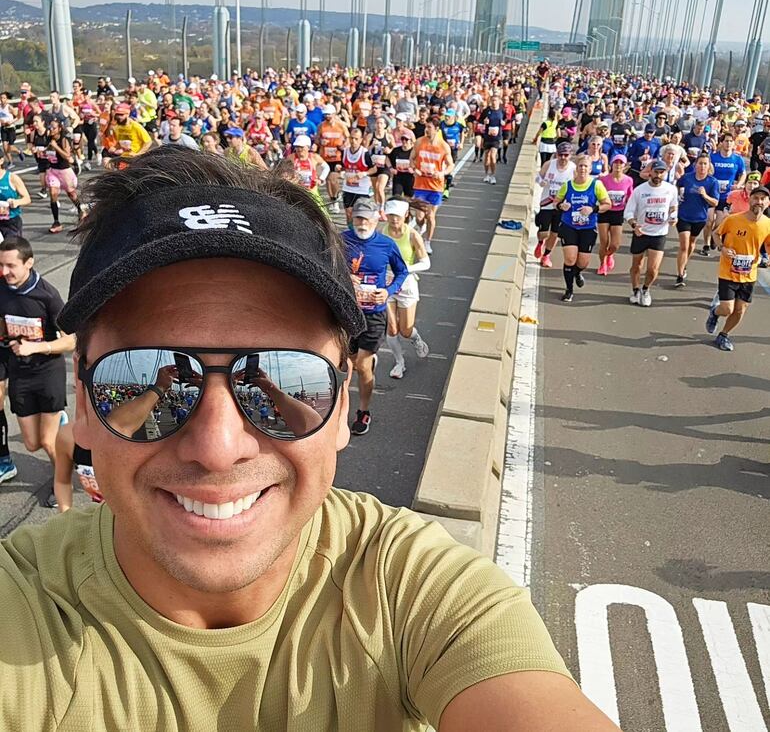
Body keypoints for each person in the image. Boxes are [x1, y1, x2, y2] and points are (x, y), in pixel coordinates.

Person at [9, 146, 619, 732]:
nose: (219, 447)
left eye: (282, 373)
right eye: (137, 373)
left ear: (343, 404)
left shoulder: (410, 591)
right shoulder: (23, 609)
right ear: (83, 408)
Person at [0, 236, 75, 506]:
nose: (4, 272)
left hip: (47, 372)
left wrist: (37, 348)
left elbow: (71, 339)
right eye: (1, 265)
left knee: (47, 440)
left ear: (29, 263)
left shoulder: (47, 295)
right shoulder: (2, 289)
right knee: (31, 443)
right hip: (19, 373)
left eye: (11, 266)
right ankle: (61, 425)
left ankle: (62, 481)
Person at [341, 198, 408, 435]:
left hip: (373, 314)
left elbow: (402, 272)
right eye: (358, 218)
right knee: (348, 364)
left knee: (361, 365)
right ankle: (364, 366)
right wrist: (344, 278)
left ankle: (363, 411)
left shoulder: (386, 245)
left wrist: (388, 291)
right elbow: (326, 266)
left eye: (367, 219)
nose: (362, 223)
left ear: (376, 220)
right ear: (352, 218)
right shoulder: (340, 240)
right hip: (347, 310)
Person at [705, 186, 770, 351]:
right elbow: (716, 234)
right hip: (728, 271)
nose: (759, 202)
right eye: (756, 198)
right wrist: (723, 248)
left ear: (768, 203)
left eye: (763, 199)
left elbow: (768, 244)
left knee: (740, 310)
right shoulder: (734, 219)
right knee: (727, 308)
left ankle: (724, 335)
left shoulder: (767, 224)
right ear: (749, 200)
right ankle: (715, 312)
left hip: (749, 274)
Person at [381, 198, 431, 379]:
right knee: (392, 328)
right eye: (391, 216)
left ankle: (416, 339)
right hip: (386, 284)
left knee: (406, 330)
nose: (394, 220)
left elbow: (426, 262)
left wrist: (405, 268)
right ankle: (399, 363)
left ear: (405, 215)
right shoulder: (382, 232)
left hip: (407, 284)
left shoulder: (412, 235)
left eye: (398, 216)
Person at [554, 154, 611, 301]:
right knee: (570, 258)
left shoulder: (596, 185)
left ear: (590, 168)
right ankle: (569, 289)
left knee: (582, 262)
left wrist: (593, 209)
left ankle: (577, 272)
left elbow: (608, 204)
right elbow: (556, 202)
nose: (583, 169)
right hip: (569, 225)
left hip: (588, 227)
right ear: (576, 168)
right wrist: (561, 205)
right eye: (580, 166)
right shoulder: (567, 185)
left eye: (586, 166)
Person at [624, 159, 679, 307]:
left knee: (653, 269)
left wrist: (674, 218)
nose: (658, 175)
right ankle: (635, 290)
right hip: (641, 232)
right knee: (637, 265)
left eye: (662, 172)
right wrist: (634, 225)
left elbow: (674, 208)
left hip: (659, 233)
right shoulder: (640, 190)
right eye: (656, 172)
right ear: (650, 172)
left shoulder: (671, 189)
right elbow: (628, 212)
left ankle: (646, 289)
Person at [675, 153, 720, 287]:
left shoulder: (712, 182)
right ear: (695, 165)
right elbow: (678, 186)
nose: (702, 166)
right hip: (683, 215)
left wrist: (705, 195)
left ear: (708, 166)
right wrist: (678, 196)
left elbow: (715, 202)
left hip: (700, 218)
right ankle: (680, 275)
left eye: (705, 164)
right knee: (684, 244)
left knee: (691, 243)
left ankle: (685, 264)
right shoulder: (687, 178)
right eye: (700, 163)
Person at [410, 117, 453, 255]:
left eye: (429, 127)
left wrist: (442, 173)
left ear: (436, 129)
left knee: (430, 215)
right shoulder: (419, 142)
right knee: (419, 216)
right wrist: (414, 169)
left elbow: (451, 164)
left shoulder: (443, 146)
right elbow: (412, 159)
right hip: (420, 184)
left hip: (435, 186)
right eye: (426, 127)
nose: (426, 130)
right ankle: (421, 227)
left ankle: (427, 242)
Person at [701, 132, 746, 256]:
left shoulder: (737, 159)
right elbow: (706, 171)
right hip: (711, 194)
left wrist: (738, 184)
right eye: (726, 141)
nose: (728, 143)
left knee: (719, 223)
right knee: (709, 221)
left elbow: (743, 173)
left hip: (726, 196)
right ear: (721, 143)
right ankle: (706, 244)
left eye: (731, 141)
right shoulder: (713, 157)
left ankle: (714, 239)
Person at [534, 142, 575, 269]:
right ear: (557, 154)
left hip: (562, 206)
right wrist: (542, 182)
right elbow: (538, 177)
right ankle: (541, 242)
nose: (563, 157)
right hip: (547, 203)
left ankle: (546, 255)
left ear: (570, 155)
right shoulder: (549, 164)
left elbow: (576, 186)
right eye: (560, 155)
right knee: (544, 232)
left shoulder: (573, 169)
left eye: (566, 155)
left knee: (555, 233)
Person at [44, 118, 83, 233]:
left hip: (64, 171)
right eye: (50, 127)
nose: (51, 130)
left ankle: (81, 210)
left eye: (53, 128)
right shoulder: (49, 139)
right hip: (53, 170)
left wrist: (56, 147)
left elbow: (67, 156)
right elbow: (46, 152)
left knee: (71, 194)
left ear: (59, 129)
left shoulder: (64, 139)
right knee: (53, 193)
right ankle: (56, 222)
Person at [597, 154, 634, 275]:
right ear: (611, 165)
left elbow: (630, 196)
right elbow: (597, 195)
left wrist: (632, 211)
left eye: (621, 163)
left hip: (618, 212)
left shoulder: (628, 180)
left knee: (615, 244)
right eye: (616, 163)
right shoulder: (603, 180)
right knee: (604, 241)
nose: (618, 165)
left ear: (625, 166)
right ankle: (602, 263)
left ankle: (610, 255)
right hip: (604, 211)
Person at [53, 422, 102, 510]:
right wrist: (67, 517)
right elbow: (62, 482)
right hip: (100, 514)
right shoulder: (69, 436)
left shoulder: (133, 444)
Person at [339, 127, 376, 224]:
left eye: (356, 139)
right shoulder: (345, 151)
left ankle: (361, 233)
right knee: (349, 214)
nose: (353, 141)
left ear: (361, 140)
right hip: (348, 188)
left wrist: (364, 173)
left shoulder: (364, 153)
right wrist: (339, 169)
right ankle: (352, 235)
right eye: (351, 138)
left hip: (362, 189)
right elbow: (342, 166)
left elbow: (374, 169)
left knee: (361, 215)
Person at [0, 158, 31, 238]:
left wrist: (16, 202)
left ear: (1, 161)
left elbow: (27, 199)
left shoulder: (12, 178)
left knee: (11, 248)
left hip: (10, 221)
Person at [481, 95, 505, 182]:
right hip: (487, 137)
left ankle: (493, 175)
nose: (494, 102)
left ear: (499, 101)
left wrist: (503, 122)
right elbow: (480, 120)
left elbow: (506, 119)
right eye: (493, 100)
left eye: (496, 101)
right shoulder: (486, 111)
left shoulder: (502, 110)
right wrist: (484, 122)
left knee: (492, 155)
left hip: (497, 137)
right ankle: (486, 174)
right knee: (487, 156)